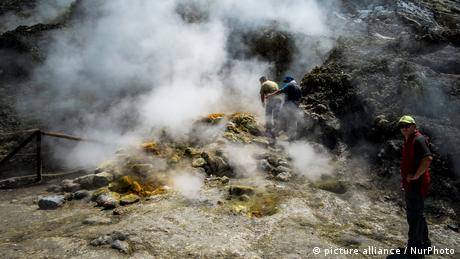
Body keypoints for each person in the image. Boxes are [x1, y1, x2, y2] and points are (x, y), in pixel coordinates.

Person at [398, 115, 432, 255]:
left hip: (417, 185)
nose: (404, 128)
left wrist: (416, 176)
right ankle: (425, 244)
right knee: (418, 214)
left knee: (413, 216)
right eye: (401, 126)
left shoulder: (418, 139)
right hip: (412, 185)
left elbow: (428, 158)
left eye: (407, 125)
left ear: (414, 126)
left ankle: (414, 247)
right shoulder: (409, 139)